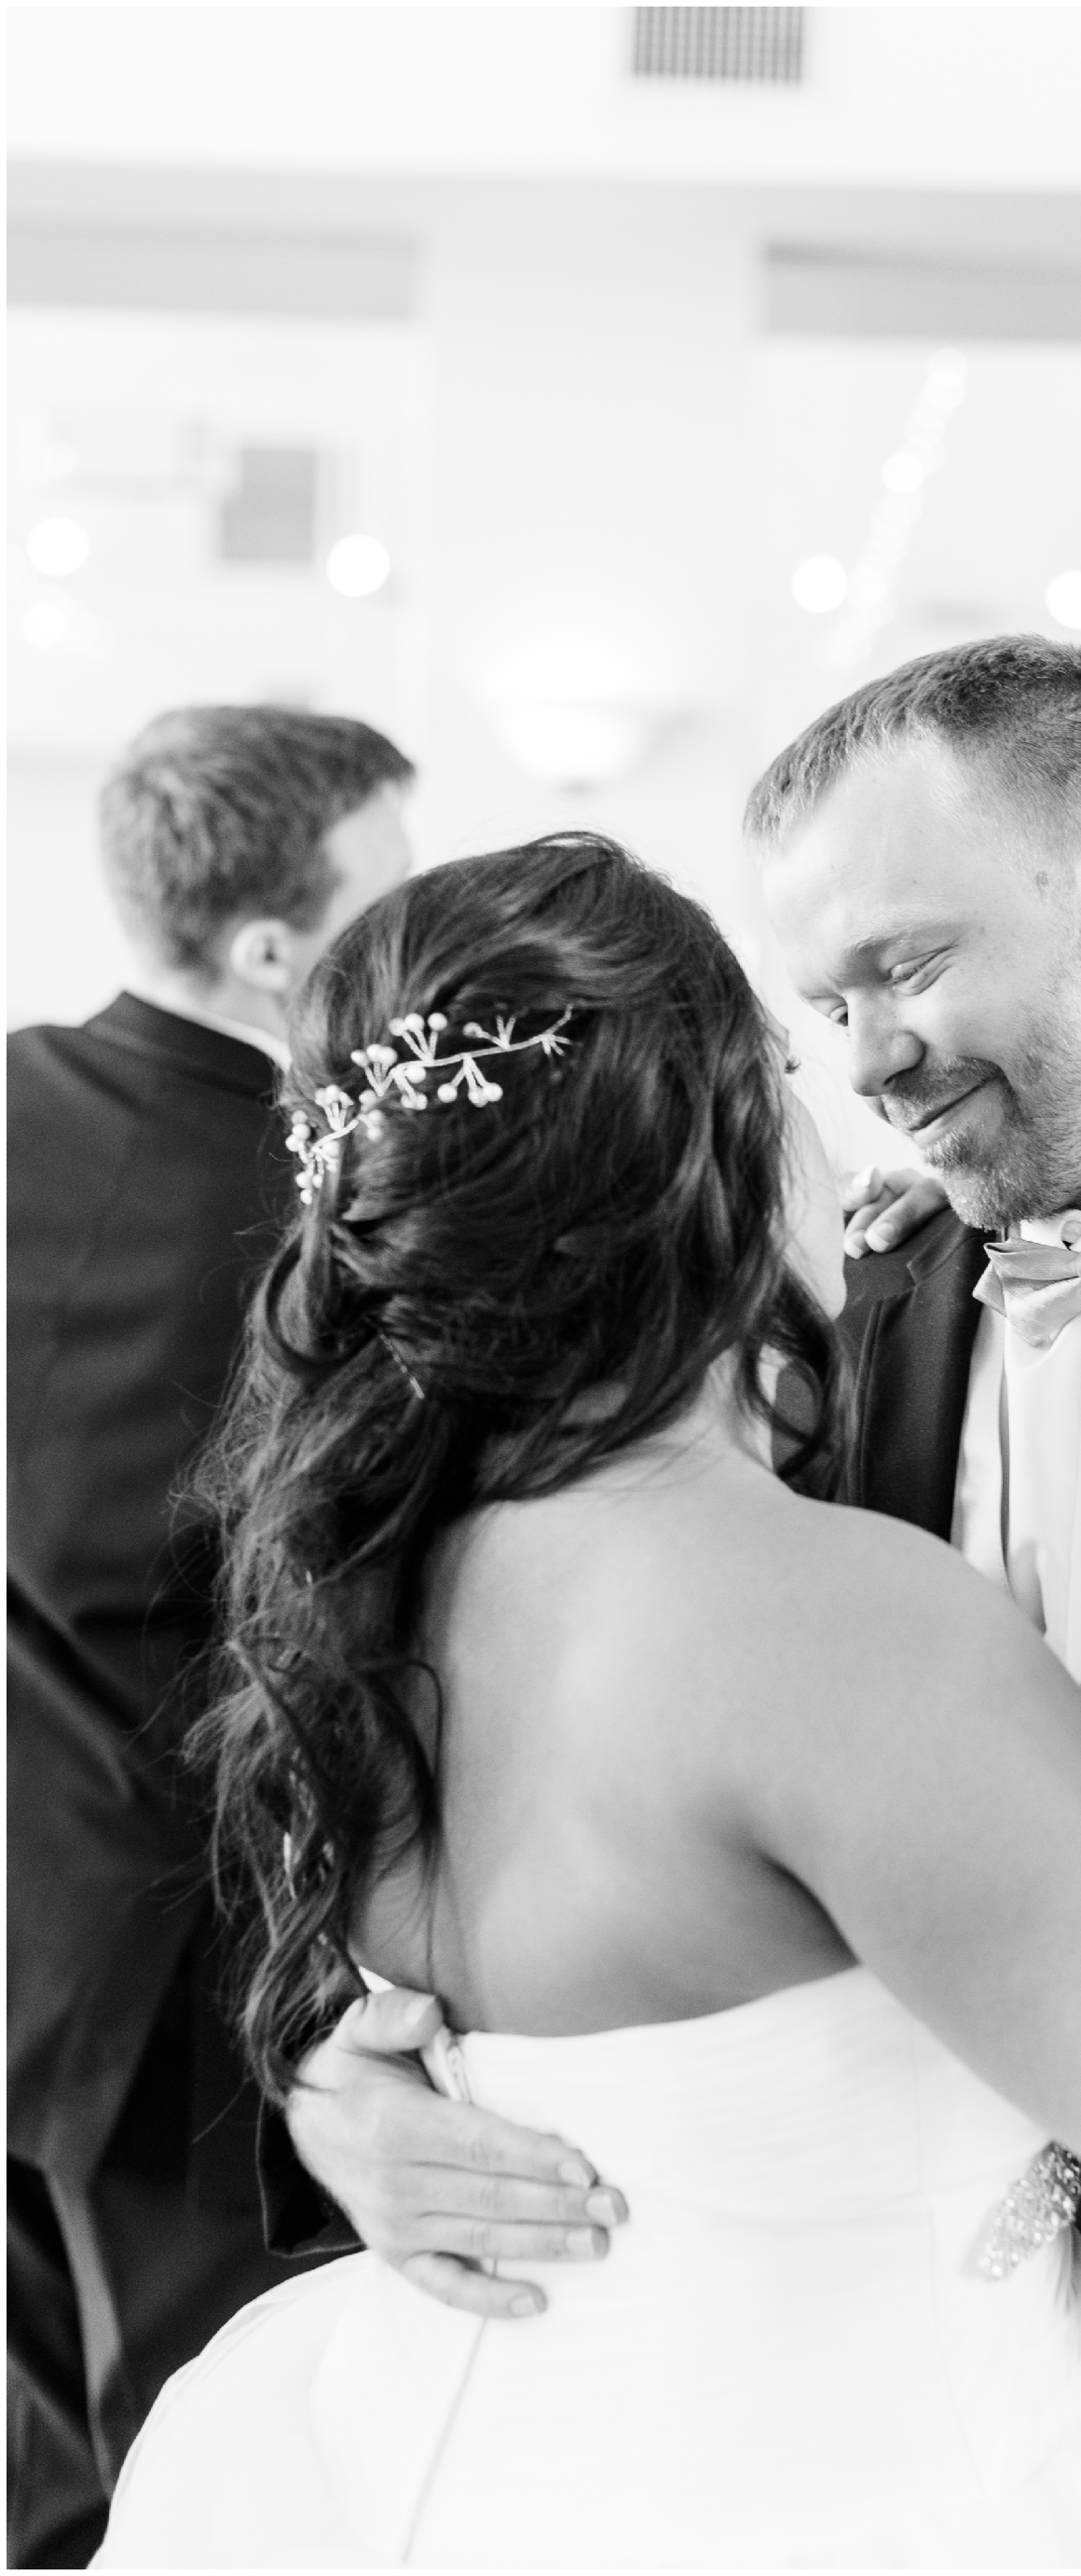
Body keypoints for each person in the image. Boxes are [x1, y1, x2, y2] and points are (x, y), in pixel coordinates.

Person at [93, 831, 1081, 2569]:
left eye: (904, 969)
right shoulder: (827, 1595)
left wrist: (345, 2071)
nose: (861, 1076)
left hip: (468, 2478)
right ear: (710, 1147)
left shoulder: (365, 1584)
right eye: (803, 1035)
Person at [7, 705, 414, 2567]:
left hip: (24, 1918)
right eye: (389, 893)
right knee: (212, 2462)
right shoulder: (322, 1206)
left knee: (43, 2473)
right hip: (186, 1952)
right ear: (276, 947)